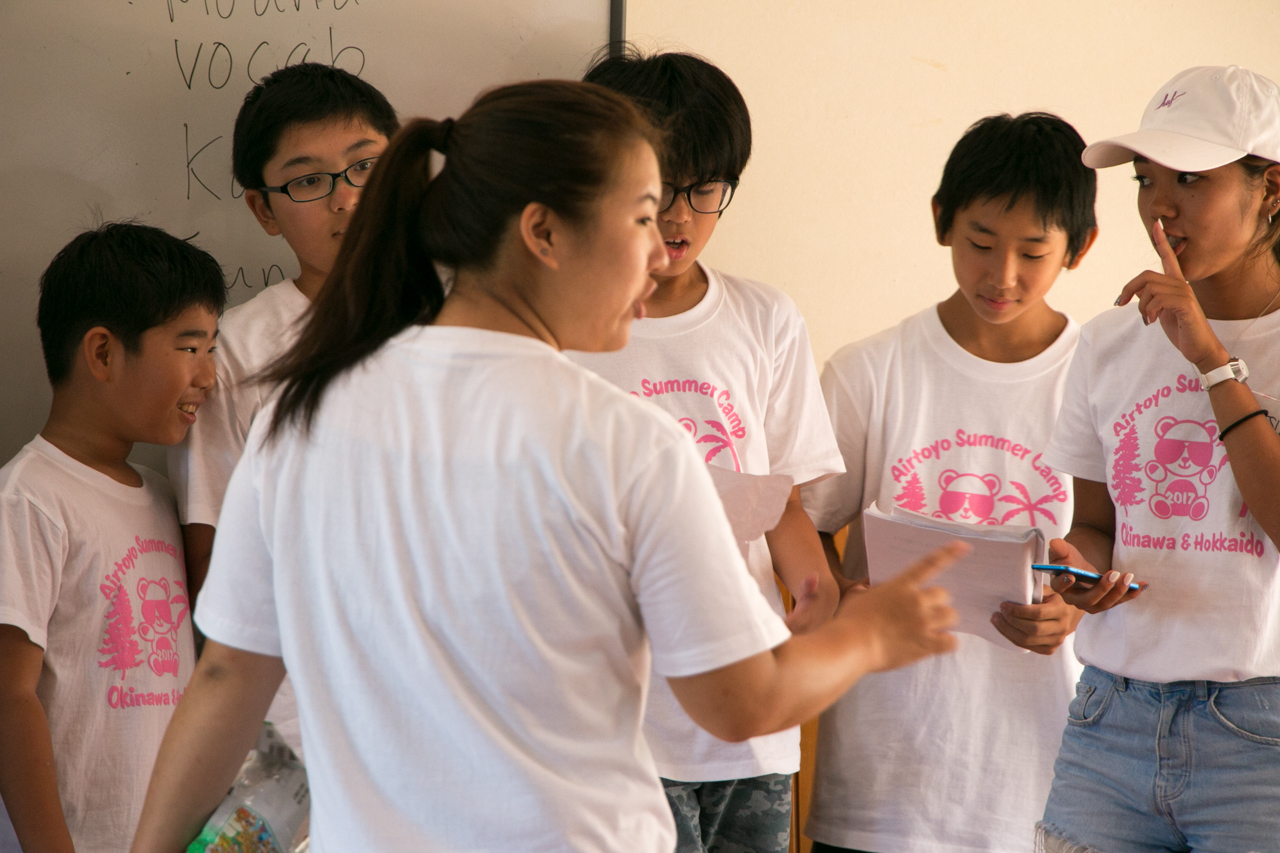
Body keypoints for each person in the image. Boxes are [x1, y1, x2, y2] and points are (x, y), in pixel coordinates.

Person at [129, 79, 963, 853]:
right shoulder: (626, 443)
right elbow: (743, 700)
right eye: (641, 217)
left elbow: (228, 675)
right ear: (544, 232)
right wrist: (868, 634)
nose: (660, 252)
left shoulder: (299, 416)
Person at [569, 48, 844, 853]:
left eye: (706, 189)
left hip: (748, 709)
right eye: (660, 189)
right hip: (618, 719)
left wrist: (816, 588)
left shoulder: (763, 317)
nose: (681, 216)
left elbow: (780, 500)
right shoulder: (563, 325)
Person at [801, 113, 1099, 853]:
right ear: (942, 221)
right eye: (980, 243)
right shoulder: (870, 371)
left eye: (1033, 252)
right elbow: (803, 525)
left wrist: (1072, 606)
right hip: (880, 779)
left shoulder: (1102, 378)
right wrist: (839, 598)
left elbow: (1115, 547)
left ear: (1081, 246)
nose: (1002, 275)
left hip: (1040, 781)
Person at [1037, 65, 1280, 852]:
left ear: (1272, 189)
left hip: (1261, 736)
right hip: (1108, 720)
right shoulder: (1109, 340)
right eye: (1145, 179)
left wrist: (1210, 357)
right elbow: (1097, 524)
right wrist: (1080, 573)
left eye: (1190, 178)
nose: (1159, 205)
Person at [166, 61, 398, 756]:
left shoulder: (467, 318)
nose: (346, 199)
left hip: (461, 709)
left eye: (365, 167)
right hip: (308, 724)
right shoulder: (236, 353)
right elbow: (213, 562)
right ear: (264, 210)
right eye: (307, 181)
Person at [0, 223, 223, 853]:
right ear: (102, 354)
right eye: (190, 347)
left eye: (213, 348)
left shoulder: (163, 498)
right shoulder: (28, 499)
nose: (210, 376)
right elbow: (9, 696)